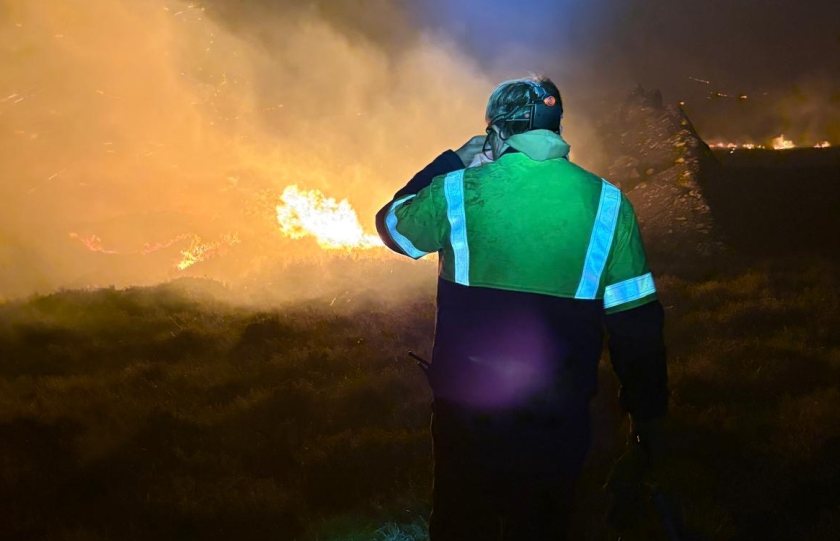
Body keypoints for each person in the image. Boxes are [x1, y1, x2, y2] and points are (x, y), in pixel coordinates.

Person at [374, 76, 669, 540]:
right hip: (559, 415)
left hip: (468, 410)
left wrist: (454, 160)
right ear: (556, 128)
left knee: (462, 523)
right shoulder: (610, 204)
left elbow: (394, 227)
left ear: (495, 133)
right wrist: (647, 415)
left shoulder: (459, 189)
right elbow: (637, 322)